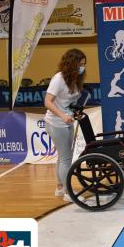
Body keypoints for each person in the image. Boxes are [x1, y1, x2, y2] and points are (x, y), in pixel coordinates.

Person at [44, 49, 87, 201]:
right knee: (66, 159)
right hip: (56, 123)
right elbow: (48, 102)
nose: (83, 67)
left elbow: (69, 101)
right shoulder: (58, 79)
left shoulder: (74, 79)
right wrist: (62, 115)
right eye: (80, 64)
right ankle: (69, 194)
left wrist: (73, 112)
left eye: (84, 64)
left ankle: (60, 188)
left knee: (62, 157)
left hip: (66, 121)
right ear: (72, 63)